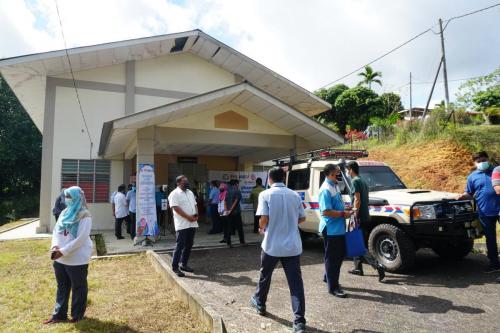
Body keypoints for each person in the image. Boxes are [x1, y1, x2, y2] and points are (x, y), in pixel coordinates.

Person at [250, 167, 307, 333]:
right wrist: (288, 223)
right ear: (284, 178)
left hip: (272, 246)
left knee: (265, 276)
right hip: (292, 246)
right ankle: (299, 322)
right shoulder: (295, 195)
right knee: (296, 284)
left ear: (269, 179)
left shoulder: (265, 195)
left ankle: (260, 303)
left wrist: (262, 228)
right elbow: (302, 218)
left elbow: (264, 219)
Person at [44, 186, 93, 324]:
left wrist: (63, 251)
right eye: (66, 196)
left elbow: (81, 239)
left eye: (69, 196)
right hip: (60, 258)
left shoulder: (85, 215)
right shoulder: (65, 212)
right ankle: (59, 315)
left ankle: (77, 316)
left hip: (77, 259)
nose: (66, 199)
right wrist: (55, 246)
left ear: (77, 197)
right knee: (62, 286)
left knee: (78, 287)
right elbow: (56, 231)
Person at [456, 151, 500, 273]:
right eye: (478, 161)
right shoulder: (472, 177)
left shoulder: (497, 172)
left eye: (483, 160)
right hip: (484, 211)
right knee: (490, 239)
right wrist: (462, 196)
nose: (482, 163)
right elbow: (469, 193)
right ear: (474, 163)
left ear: (488, 159)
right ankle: (494, 264)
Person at [346, 161, 385, 281]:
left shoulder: (355, 181)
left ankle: (378, 265)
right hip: (365, 215)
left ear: (351, 169)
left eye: (348, 170)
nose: (347, 172)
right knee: (356, 241)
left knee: (359, 244)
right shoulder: (363, 181)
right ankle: (358, 268)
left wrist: (355, 214)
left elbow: (357, 199)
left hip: (359, 217)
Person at [319, 164, 352, 298]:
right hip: (332, 229)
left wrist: (346, 210)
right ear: (331, 174)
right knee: (334, 258)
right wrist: (343, 214)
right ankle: (333, 287)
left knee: (335, 256)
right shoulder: (326, 189)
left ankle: (328, 277)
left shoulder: (335, 185)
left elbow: (337, 205)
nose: (340, 175)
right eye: (338, 173)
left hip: (337, 228)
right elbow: (326, 211)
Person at [168, 175, 198, 277]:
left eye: (187, 181)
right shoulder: (174, 194)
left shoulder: (190, 192)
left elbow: (195, 204)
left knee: (189, 245)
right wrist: (188, 217)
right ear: (178, 183)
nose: (186, 182)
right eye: (184, 181)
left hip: (192, 223)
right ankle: (175, 267)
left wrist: (196, 214)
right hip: (182, 224)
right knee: (180, 245)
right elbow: (176, 208)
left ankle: (183, 264)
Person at [225, 179, 245, 246]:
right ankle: (242, 242)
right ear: (236, 184)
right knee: (239, 227)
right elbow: (236, 201)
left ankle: (228, 242)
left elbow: (224, 201)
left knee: (228, 227)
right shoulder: (237, 191)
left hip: (228, 212)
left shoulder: (226, 191)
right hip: (236, 212)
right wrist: (231, 210)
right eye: (238, 184)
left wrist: (227, 210)